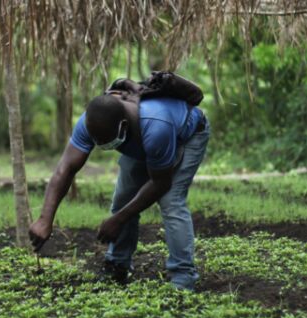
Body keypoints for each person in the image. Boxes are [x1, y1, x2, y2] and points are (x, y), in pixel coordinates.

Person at [28, 88, 209, 290]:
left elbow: (160, 183)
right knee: (124, 197)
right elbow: (65, 169)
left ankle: (183, 277)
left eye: (108, 142)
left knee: (170, 200)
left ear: (123, 126)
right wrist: (45, 219)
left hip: (187, 134)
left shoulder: (156, 126)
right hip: (141, 141)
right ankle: (117, 265)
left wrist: (118, 219)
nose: (105, 146)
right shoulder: (92, 121)